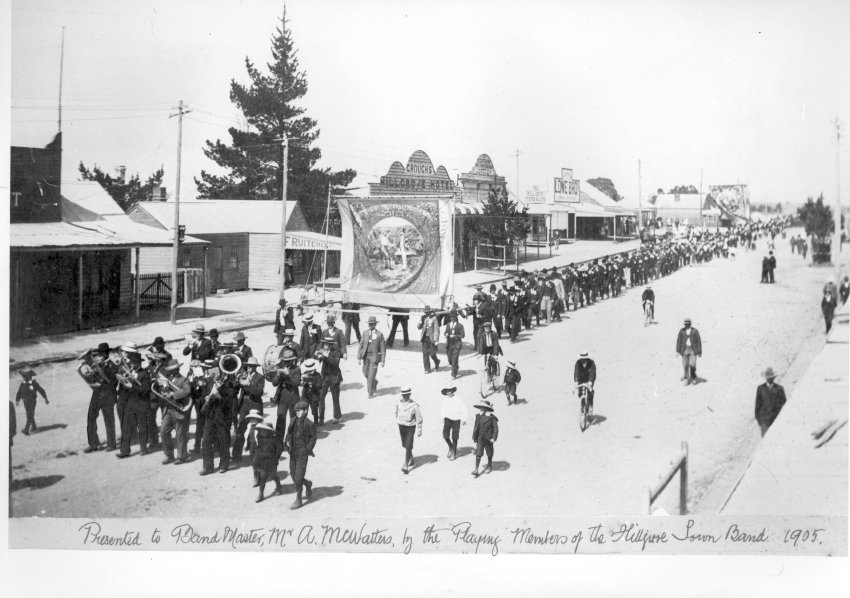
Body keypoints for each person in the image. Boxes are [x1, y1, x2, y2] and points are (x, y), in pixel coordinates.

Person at [199, 359, 239, 475]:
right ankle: (207, 467)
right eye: (212, 371)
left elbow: (231, 400)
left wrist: (219, 396)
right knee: (206, 441)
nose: (214, 374)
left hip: (223, 415)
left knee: (224, 441)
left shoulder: (228, 384)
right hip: (210, 415)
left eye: (216, 371)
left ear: (221, 371)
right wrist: (206, 398)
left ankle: (224, 465)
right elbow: (202, 398)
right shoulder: (209, 383)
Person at [81, 342, 118, 453]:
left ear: (107, 353)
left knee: (109, 420)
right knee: (91, 417)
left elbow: (112, 382)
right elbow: (94, 379)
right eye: (100, 353)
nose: (101, 355)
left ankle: (111, 444)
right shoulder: (97, 365)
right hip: (97, 394)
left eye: (104, 353)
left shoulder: (113, 365)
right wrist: (91, 376)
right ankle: (93, 444)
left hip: (108, 395)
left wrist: (100, 371)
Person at [115, 346, 151, 458]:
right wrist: (123, 381)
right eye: (133, 362)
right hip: (130, 402)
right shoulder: (129, 372)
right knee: (125, 426)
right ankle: (124, 450)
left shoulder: (144, 374)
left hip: (141, 403)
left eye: (136, 363)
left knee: (142, 426)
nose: (134, 365)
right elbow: (125, 387)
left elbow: (145, 390)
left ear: (140, 363)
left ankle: (143, 448)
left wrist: (132, 386)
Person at [156, 358, 192, 466]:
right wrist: (163, 393)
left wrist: (173, 395)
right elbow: (163, 391)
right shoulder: (166, 379)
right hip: (168, 409)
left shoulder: (184, 379)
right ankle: (169, 455)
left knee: (180, 434)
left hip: (179, 409)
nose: (172, 371)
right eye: (170, 370)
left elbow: (187, 391)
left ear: (178, 369)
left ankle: (181, 456)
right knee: (163, 432)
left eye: (174, 369)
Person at [283, 401, 317, 509]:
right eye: (296, 411)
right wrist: (287, 442)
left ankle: (299, 499)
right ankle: (307, 484)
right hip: (293, 452)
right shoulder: (293, 420)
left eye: (299, 411)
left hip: (302, 453)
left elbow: (313, 438)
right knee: (293, 475)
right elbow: (288, 433)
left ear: (306, 411)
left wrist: (307, 449)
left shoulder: (309, 424)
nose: (297, 413)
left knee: (298, 477)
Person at [231, 357, 266, 462]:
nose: (249, 368)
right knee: (240, 429)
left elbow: (259, 392)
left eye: (251, 366)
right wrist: (238, 380)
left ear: (255, 367)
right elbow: (235, 387)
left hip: (254, 404)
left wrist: (249, 384)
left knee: (255, 431)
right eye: (248, 366)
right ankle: (236, 455)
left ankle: (255, 455)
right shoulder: (244, 375)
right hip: (244, 405)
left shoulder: (260, 377)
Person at [252, 419, 284, 503]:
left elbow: (280, 448)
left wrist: (276, 457)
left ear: (269, 431)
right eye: (261, 430)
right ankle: (261, 494)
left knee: (273, 475)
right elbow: (258, 449)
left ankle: (279, 486)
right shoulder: (259, 437)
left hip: (272, 461)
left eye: (264, 430)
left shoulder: (275, 439)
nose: (262, 432)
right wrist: (257, 458)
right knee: (263, 477)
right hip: (262, 460)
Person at [395, 386, 422, 474]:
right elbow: (396, 412)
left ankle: (405, 464)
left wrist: (419, 429)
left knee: (409, 443)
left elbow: (419, 418)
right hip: (401, 426)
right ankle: (410, 459)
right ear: (402, 395)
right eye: (404, 395)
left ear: (409, 394)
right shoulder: (398, 403)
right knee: (405, 444)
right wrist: (398, 421)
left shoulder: (414, 406)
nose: (405, 396)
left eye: (407, 395)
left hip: (410, 426)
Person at [357, 315, 387, 397]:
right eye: (369, 324)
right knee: (365, 373)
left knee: (370, 376)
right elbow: (361, 345)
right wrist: (359, 357)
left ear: (375, 324)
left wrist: (383, 360)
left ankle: (370, 393)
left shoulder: (380, 334)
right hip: (366, 356)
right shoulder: (365, 333)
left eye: (372, 324)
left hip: (374, 357)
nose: (370, 325)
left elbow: (383, 348)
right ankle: (374, 382)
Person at [273, 349, 301, 433]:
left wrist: (288, 375)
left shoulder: (297, 369)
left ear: (292, 361)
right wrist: (277, 375)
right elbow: (274, 383)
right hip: (282, 398)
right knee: (280, 419)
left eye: (288, 361)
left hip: (293, 398)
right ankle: (279, 441)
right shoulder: (280, 368)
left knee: (294, 420)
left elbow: (296, 384)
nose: (286, 363)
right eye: (284, 361)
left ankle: (292, 440)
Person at [316, 336, 343, 424]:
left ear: (331, 345)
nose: (325, 345)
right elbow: (318, 360)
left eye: (326, 344)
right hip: (325, 376)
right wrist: (317, 355)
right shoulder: (325, 351)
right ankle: (321, 418)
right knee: (321, 397)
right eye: (324, 343)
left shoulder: (337, 351)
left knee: (335, 397)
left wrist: (326, 355)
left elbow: (335, 363)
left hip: (334, 377)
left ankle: (337, 416)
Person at [754, 367, 787, 437]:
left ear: (774, 378)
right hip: (764, 421)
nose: (770, 379)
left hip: (777, 420)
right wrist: (760, 420)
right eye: (768, 378)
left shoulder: (780, 388)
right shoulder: (760, 388)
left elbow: (785, 405)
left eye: (771, 377)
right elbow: (757, 405)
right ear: (765, 378)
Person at [15, 369, 48, 436]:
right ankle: (34, 426)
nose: (23, 378)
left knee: (30, 414)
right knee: (28, 414)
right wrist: (17, 400)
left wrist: (45, 398)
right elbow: (19, 392)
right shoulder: (23, 384)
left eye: (25, 376)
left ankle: (26, 429)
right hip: (25, 401)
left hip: (32, 401)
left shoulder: (34, 383)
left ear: (29, 377)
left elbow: (41, 390)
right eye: (23, 376)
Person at [471, 399, 499, 478]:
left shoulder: (492, 418)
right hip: (480, 438)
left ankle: (489, 465)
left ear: (487, 408)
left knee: (489, 453)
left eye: (483, 407)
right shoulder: (478, 416)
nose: (481, 409)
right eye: (480, 407)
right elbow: (476, 426)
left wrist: (494, 438)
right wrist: (474, 435)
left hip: (488, 439)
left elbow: (496, 429)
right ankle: (476, 470)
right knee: (478, 453)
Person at [440, 386, 467, 461]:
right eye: (447, 391)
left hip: (456, 419)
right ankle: (450, 446)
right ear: (445, 392)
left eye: (450, 391)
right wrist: (443, 417)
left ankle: (454, 452)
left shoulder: (458, 399)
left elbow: (463, 408)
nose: (449, 392)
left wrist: (464, 418)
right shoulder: (445, 399)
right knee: (445, 435)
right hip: (448, 419)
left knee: (455, 436)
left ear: (453, 391)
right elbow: (442, 409)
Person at [675, 318, 702, 385]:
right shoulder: (681, 331)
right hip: (684, 350)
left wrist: (699, 351)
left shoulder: (695, 331)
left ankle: (693, 378)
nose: (686, 325)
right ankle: (686, 379)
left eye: (688, 324)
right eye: (685, 324)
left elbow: (699, 341)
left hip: (693, 350)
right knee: (685, 365)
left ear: (690, 324)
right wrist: (677, 351)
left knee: (692, 365)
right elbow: (679, 341)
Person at [242, 410, 264, 488]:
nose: (253, 420)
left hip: (259, 447)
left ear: (258, 419)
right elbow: (246, 437)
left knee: (258, 462)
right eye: (251, 418)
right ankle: (256, 476)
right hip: (251, 447)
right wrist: (245, 446)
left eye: (255, 418)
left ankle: (259, 478)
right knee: (253, 462)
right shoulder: (249, 426)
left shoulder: (261, 426)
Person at [417, 306, 441, 373]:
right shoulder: (423, 318)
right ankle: (427, 369)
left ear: (430, 312)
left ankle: (437, 361)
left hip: (431, 338)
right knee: (425, 354)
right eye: (425, 312)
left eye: (428, 312)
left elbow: (436, 330)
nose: (427, 313)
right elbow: (418, 327)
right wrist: (420, 322)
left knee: (432, 354)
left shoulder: (434, 318)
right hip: (424, 338)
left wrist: (436, 340)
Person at [299, 358, 323, 423]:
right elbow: (301, 384)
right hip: (305, 395)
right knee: (304, 410)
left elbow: (320, 386)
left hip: (314, 396)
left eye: (311, 370)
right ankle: (303, 425)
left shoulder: (318, 375)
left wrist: (312, 384)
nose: (310, 371)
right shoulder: (305, 374)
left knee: (314, 411)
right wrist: (302, 382)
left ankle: (316, 424)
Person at [444, 310, 465, 379]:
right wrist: (446, 334)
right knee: (450, 359)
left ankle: (453, 374)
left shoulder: (460, 326)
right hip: (449, 344)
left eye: (453, 317)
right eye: (451, 317)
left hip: (456, 344)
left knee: (455, 359)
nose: (452, 318)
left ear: (456, 317)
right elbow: (445, 332)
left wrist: (455, 336)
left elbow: (462, 335)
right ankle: (455, 366)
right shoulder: (448, 325)